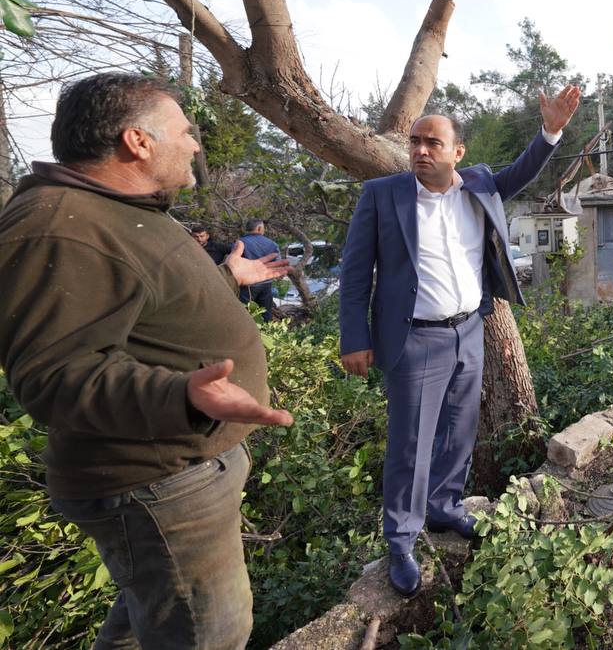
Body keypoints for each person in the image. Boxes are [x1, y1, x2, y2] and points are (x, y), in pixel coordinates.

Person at [0, 72, 294, 649]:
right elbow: (53, 374)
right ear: (137, 141)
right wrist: (181, 395)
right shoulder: (59, 226)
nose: (195, 144)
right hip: (157, 481)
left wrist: (226, 278)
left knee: (150, 624)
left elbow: (138, 309)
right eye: (185, 132)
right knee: (207, 635)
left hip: (176, 473)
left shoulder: (108, 212)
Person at [339, 85, 580, 597]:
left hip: (470, 330)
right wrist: (353, 338)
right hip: (415, 340)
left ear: (457, 153)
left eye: (432, 143)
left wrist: (551, 131)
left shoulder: (480, 185)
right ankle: (401, 539)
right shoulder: (383, 196)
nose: (421, 151)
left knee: (458, 430)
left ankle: (446, 507)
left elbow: (524, 171)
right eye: (415, 142)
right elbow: (356, 273)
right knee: (410, 444)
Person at [236, 219, 282, 320]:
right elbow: (278, 263)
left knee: (245, 314)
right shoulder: (272, 244)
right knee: (266, 313)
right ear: (260, 228)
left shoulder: (240, 243)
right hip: (266, 283)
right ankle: (267, 333)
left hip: (247, 285)